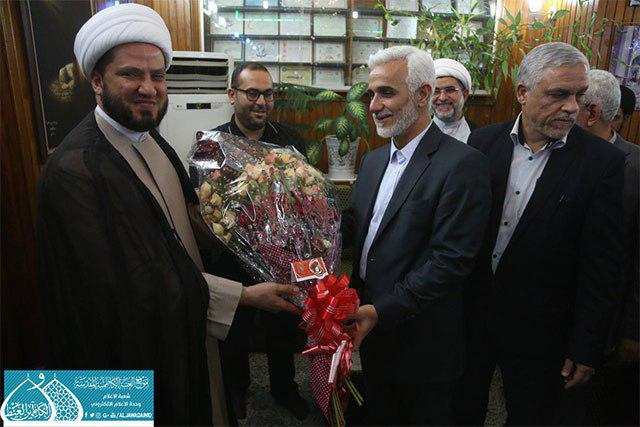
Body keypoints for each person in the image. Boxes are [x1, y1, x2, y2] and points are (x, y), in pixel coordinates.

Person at [36, 4, 300, 426]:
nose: (149, 88)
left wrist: (260, 233)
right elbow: (130, 288)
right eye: (131, 74)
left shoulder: (152, 139)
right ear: (97, 81)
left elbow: (187, 227)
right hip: (132, 364)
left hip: (189, 329)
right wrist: (245, 296)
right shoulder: (74, 170)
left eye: (158, 76)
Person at [459, 42, 625, 426]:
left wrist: (586, 345)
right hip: (473, 318)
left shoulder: (602, 163)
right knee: (461, 410)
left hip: (543, 332)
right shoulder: (482, 144)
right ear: (523, 92)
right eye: (558, 94)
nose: (571, 107)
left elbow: (602, 265)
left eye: (579, 96)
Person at [344, 45, 492, 425]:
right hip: (371, 332)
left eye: (386, 93)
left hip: (424, 345)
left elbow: (450, 262)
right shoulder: (373, 160)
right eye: (371, 94)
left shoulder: (463, 164)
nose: (374, 106)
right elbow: (358, 231)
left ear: (422, 94)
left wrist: (381, 311)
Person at [207, 63, 309, 421]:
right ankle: (236, 390)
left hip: (280, 254)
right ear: (232, 95)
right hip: (231, 255)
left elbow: (306, 191)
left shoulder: (290, 140)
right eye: (252, 93)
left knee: (283, 327)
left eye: (268, 94)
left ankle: (285, 389)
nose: (262, 101)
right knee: (234, 330)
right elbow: (205, 204)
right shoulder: (213, 143)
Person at [576, 69, 639, 426]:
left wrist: (633, 329)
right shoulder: (557, 154)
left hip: (612, 322)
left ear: (591, 111)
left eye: (572, 99)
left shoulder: (635, 166)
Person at [430, 58, 479, 143]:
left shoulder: (479, 135)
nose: (442, 98)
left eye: (450, 90)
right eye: (436, 91)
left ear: (464, 95)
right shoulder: (416, 133)